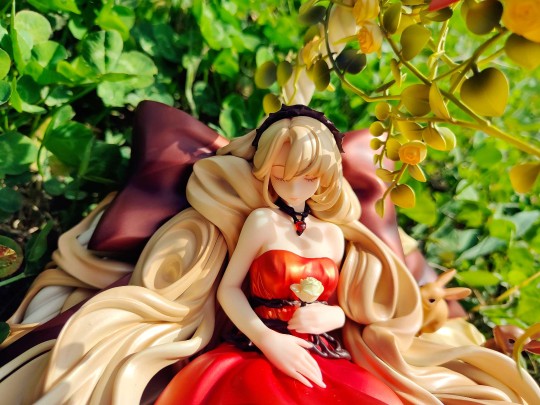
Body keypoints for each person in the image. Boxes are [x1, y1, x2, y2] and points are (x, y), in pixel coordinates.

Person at [0, 104, 538, 404]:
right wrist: (268, 339)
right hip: (258, 350)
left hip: (326, 356)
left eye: (305, 175)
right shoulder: (261, 223)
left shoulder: (334, 236)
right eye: (280, 172)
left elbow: (344, 304)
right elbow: (230, 290)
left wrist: (334, 316)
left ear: (325, 177)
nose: (292, 184)